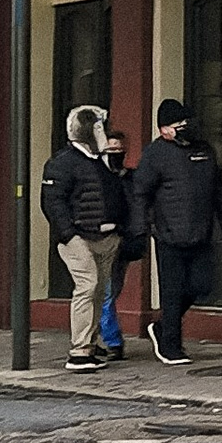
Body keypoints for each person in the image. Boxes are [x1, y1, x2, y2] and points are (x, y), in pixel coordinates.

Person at [130, 97, 222, 368]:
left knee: (202, 286)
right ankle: (171, 345)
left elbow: (217, 190)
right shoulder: (155, 154)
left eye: (187, 122)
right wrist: (140, 229)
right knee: (173, 292)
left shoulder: (205, 150)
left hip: (201, 232)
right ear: (164, 129)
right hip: (168, 235)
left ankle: (162, 326)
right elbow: (140, 193)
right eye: (179, 124)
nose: (186, 127)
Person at [39, 103, 126, 374]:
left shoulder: (100, 161)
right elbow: (52, 203)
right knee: (87, 286)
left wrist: (119, 229)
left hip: (106, 235)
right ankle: (78, 351)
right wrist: (68, 234)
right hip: (78, 237)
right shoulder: (62, 163)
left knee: (100, 290)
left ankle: (90, 344)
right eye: (101, 128)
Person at [100, 127, 137, 358]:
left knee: (110, 291)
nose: (115, 153)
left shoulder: (131, 178)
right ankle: (112, 340)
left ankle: (98, 337)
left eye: (119, 149)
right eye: (111, 148)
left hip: (122, 241)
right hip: (98, 240)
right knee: (104, 292)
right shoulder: (97, 176)